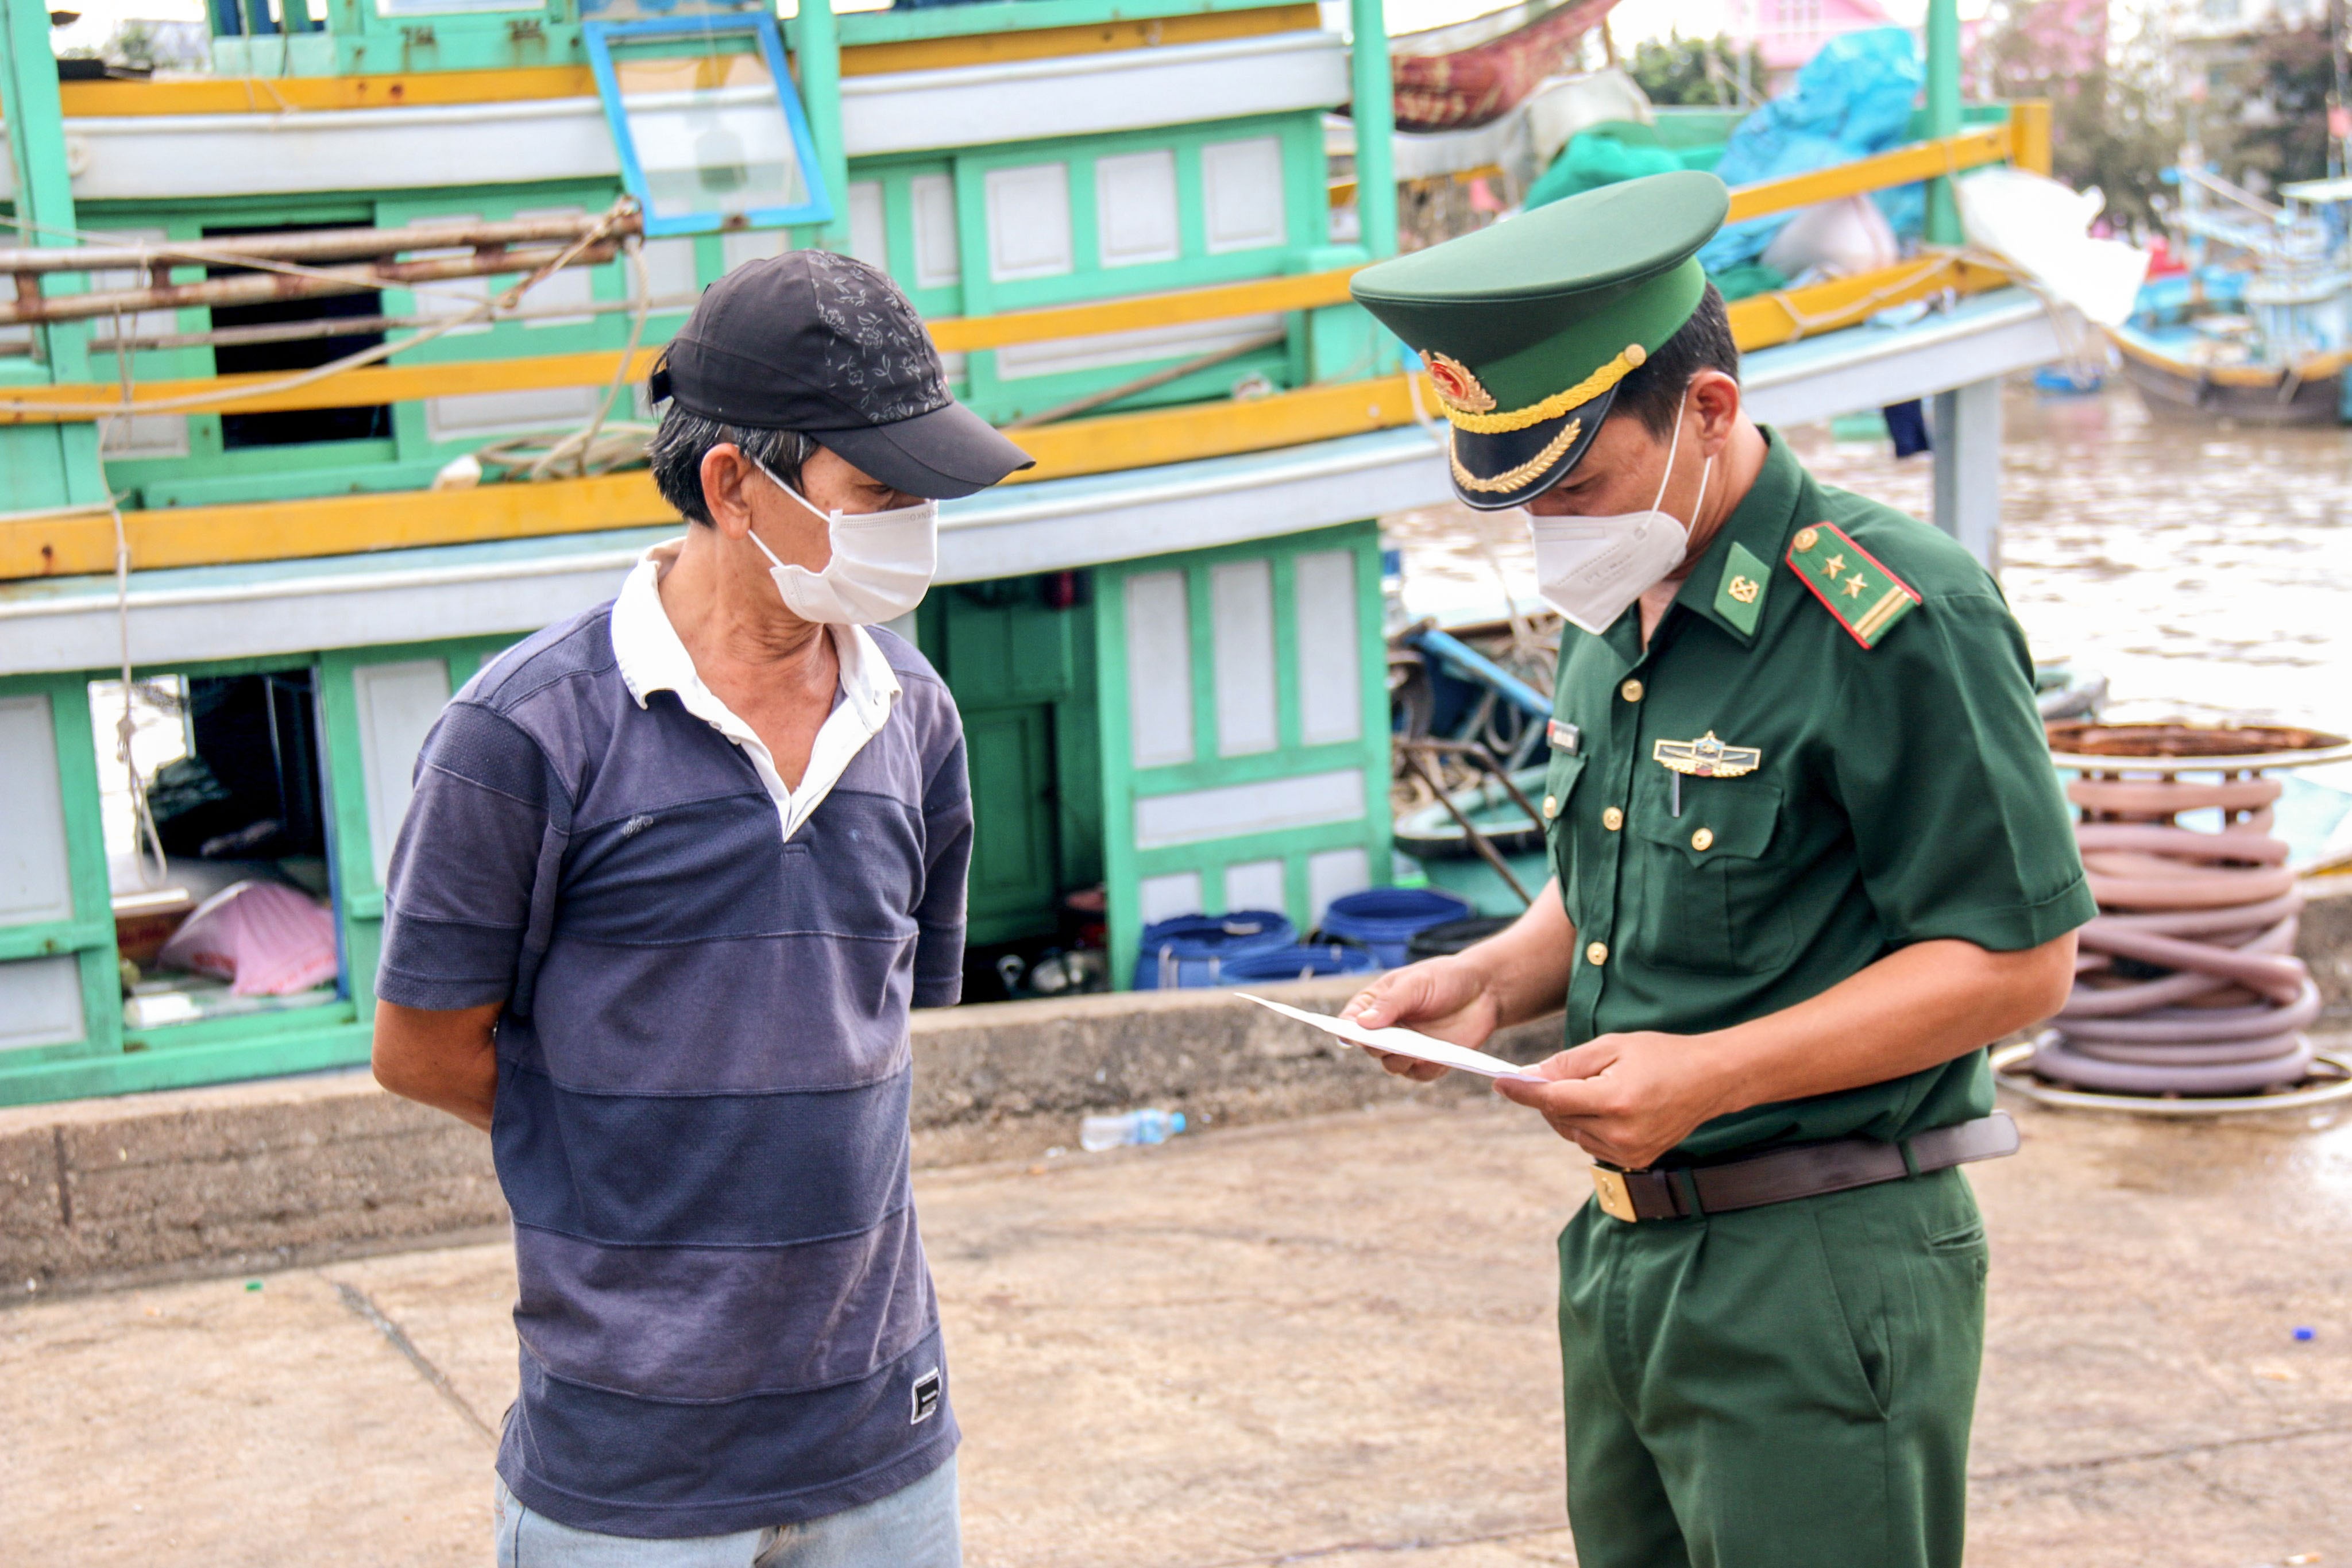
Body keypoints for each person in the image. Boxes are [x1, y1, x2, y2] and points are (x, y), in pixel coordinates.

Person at [1340, 171, 2091, 1568]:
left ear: (1706, 412)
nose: (1552, 529)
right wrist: (1492, 982)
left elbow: (2015, 959)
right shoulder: (1621, 598)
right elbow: (1616, 863)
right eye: (1524, 501)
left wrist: (1713, 1074)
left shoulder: (1891, 612)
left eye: (1577, 485)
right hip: (1626, 1250)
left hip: (1821, 1257)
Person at [369, 250, 1033, 1566]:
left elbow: (868, 1022)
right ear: (736, 487)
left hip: (880, 1435)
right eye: (879, 493)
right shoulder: (521, 735)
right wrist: (628, 1148)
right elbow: (423, 1048)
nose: (914, 530)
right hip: (631, 1459)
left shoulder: (918, 719)